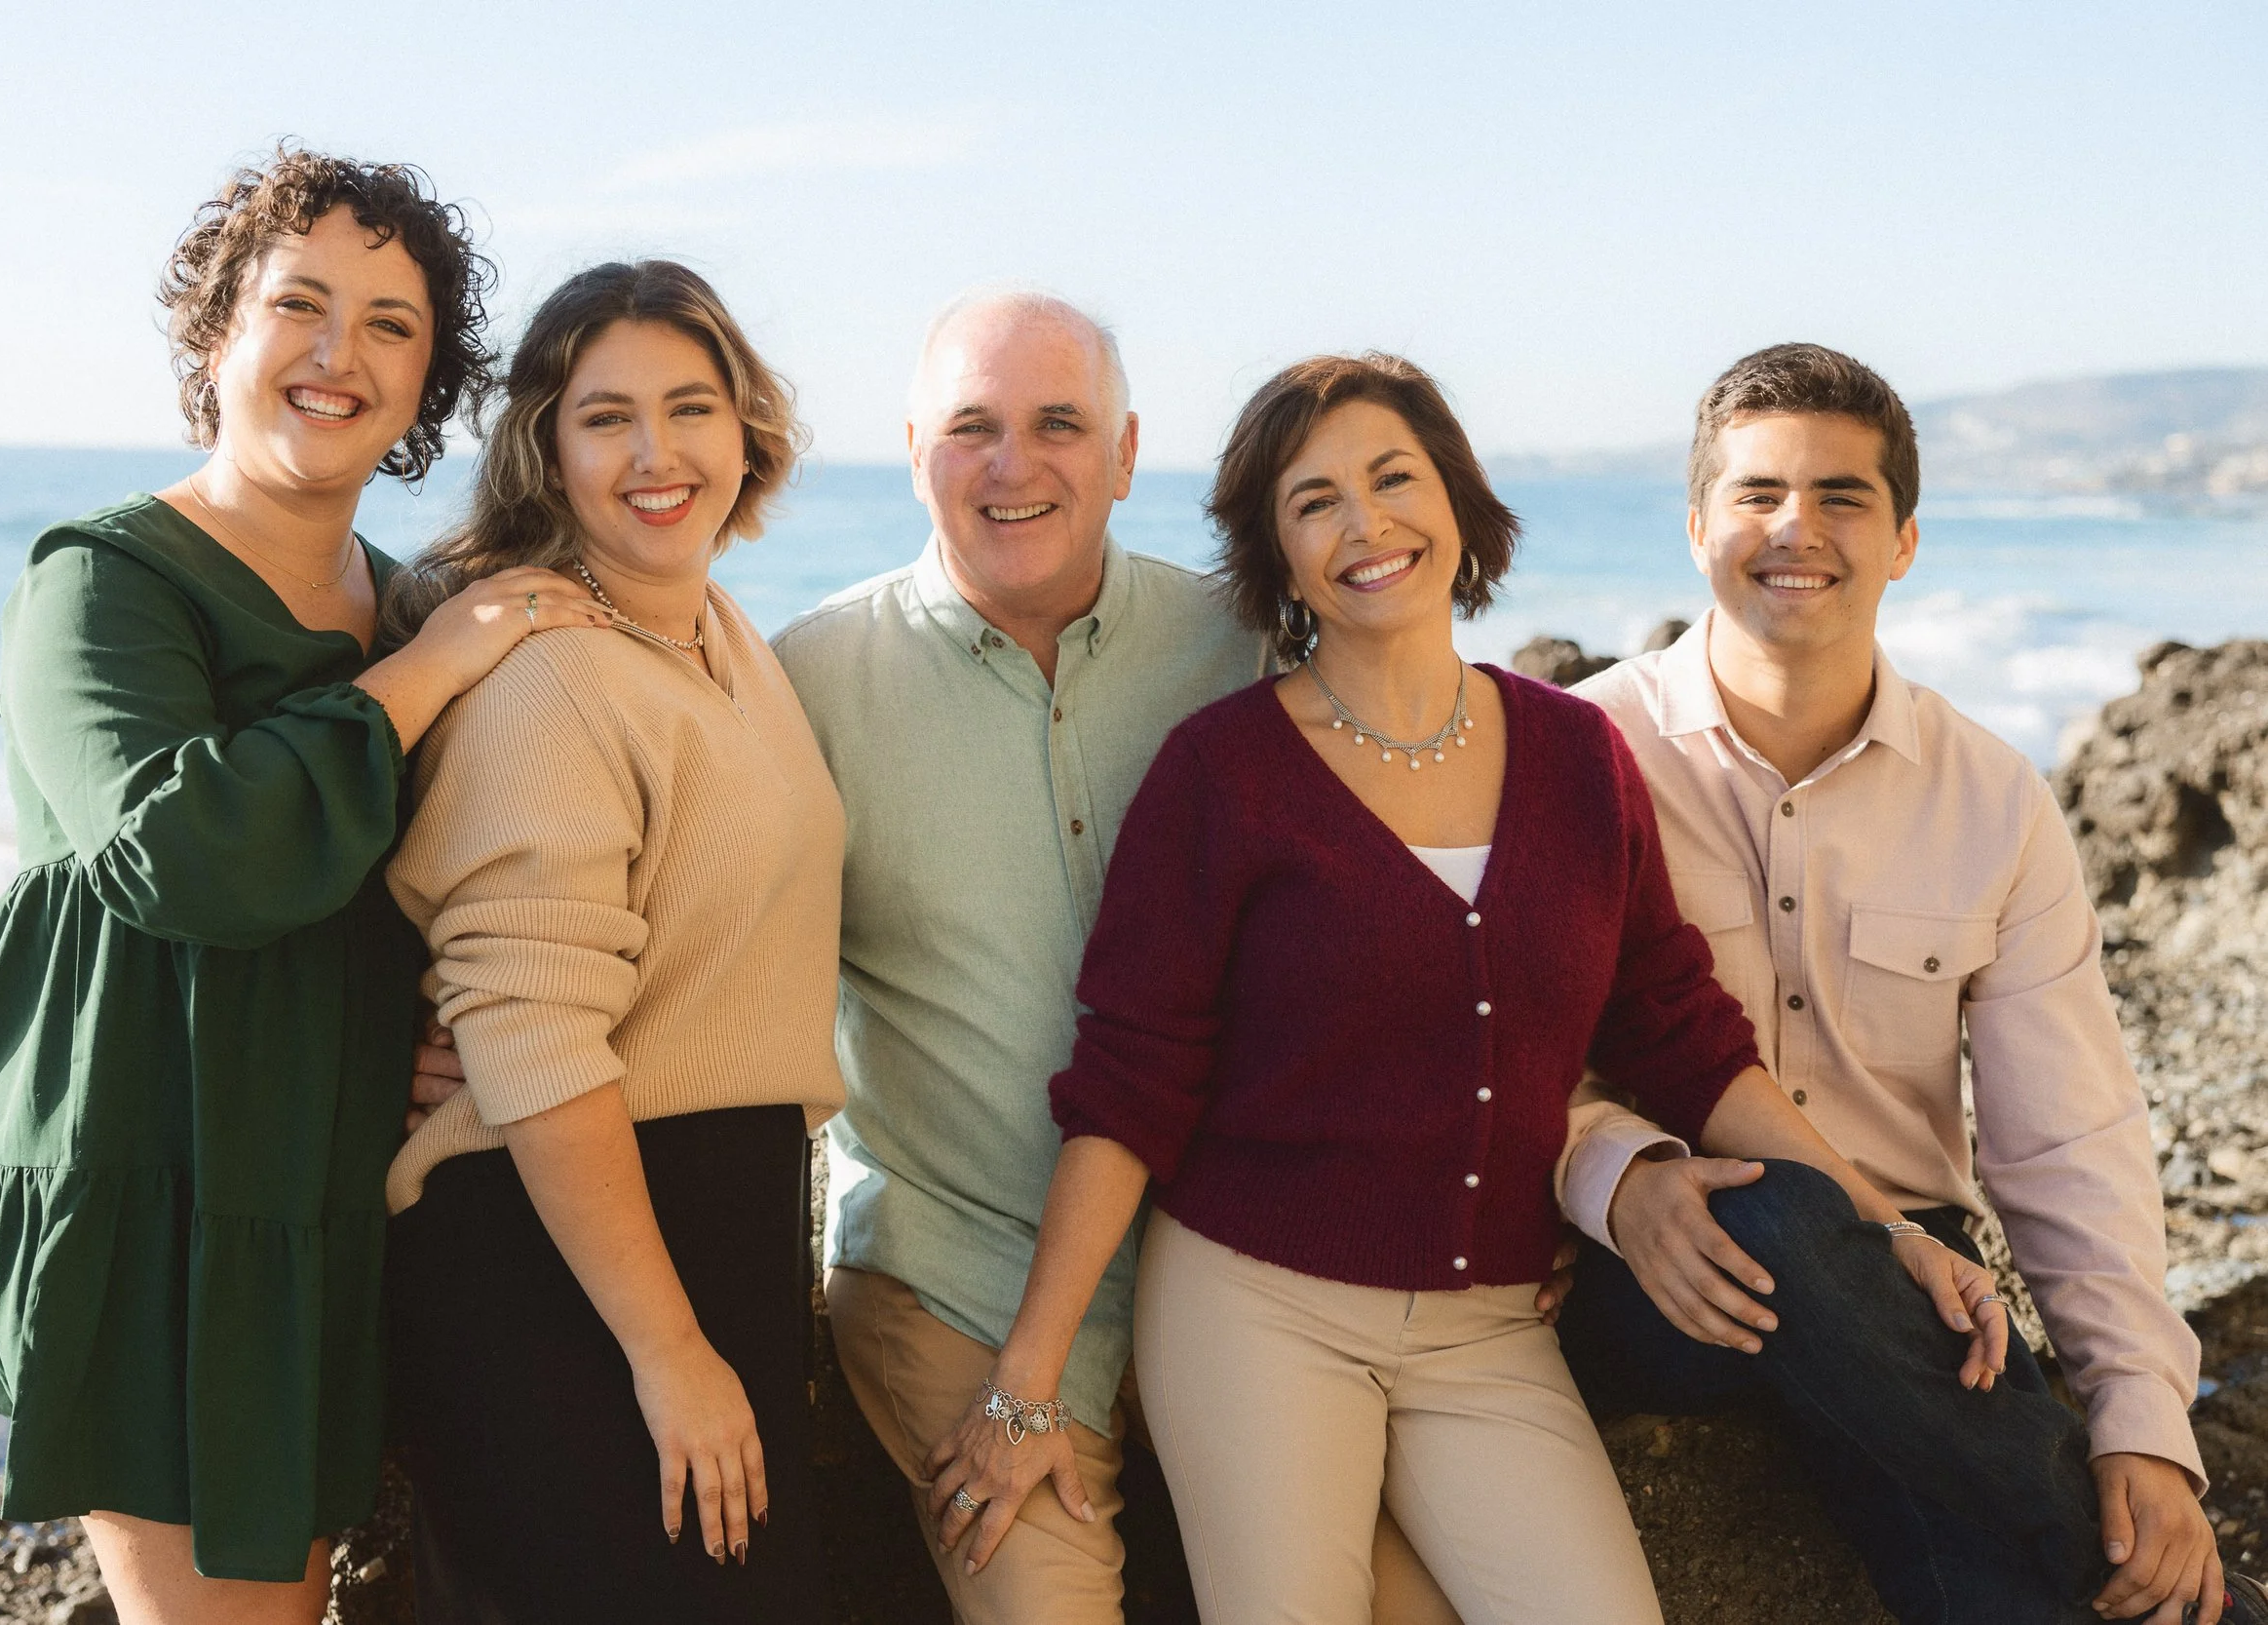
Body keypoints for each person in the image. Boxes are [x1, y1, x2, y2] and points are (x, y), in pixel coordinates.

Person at [923, 352, 2018, 1625]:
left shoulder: (1578, 755)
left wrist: (1882, 1221)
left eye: (1395, 477)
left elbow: (1681, 1034)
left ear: (1458, 499)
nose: (1365, 522)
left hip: (1487, 1323)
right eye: (1313, 502)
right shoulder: (1220, 774)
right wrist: (1028, 1384)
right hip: (1256, 1306)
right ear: (1279, 558)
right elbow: (1128, 1088)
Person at [0, 149, 609, 1624]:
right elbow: (188, 850)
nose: (342, 355)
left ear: (424, 388)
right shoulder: (102, 582)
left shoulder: (408, 601)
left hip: (332, 1184)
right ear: (217, 337)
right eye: (301, 305)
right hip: (157, 1178)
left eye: (392, 325)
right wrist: (425, 672)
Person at [759, 291, 1488, 1624]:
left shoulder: (1249, 645)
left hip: (1245, 1270)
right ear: (913, 442)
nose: (1013, 465)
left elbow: (1445, 890)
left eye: (1058, 425)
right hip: (957, 1267)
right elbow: (698, 930)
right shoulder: (805, 681)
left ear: (1128, 451)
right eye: (972, 427)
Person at [1555, 342, 2268, 1625]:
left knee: (1908, 1395)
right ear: (1696, 525)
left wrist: (2144, 1421)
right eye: (1760, 491)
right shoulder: (1577, 757)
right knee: (1770, 1210)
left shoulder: (1992, 796)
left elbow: (2070, 1140)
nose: (1797, 527)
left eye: (1842, 496)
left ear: (1904, 540)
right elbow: (1492, 1054)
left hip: (1907, 1274)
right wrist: (1621, 1179)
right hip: (1645, 1265)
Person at [381, 259, 841, 1623]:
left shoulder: (717, 631)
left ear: (747, 428)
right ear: (546, 447)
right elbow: (529, 1030)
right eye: (608, 417)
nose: (658, 454)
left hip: (712, 1218)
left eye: (692, 407)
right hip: (562, 1256)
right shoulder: (549, 670)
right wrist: (668, 1345)